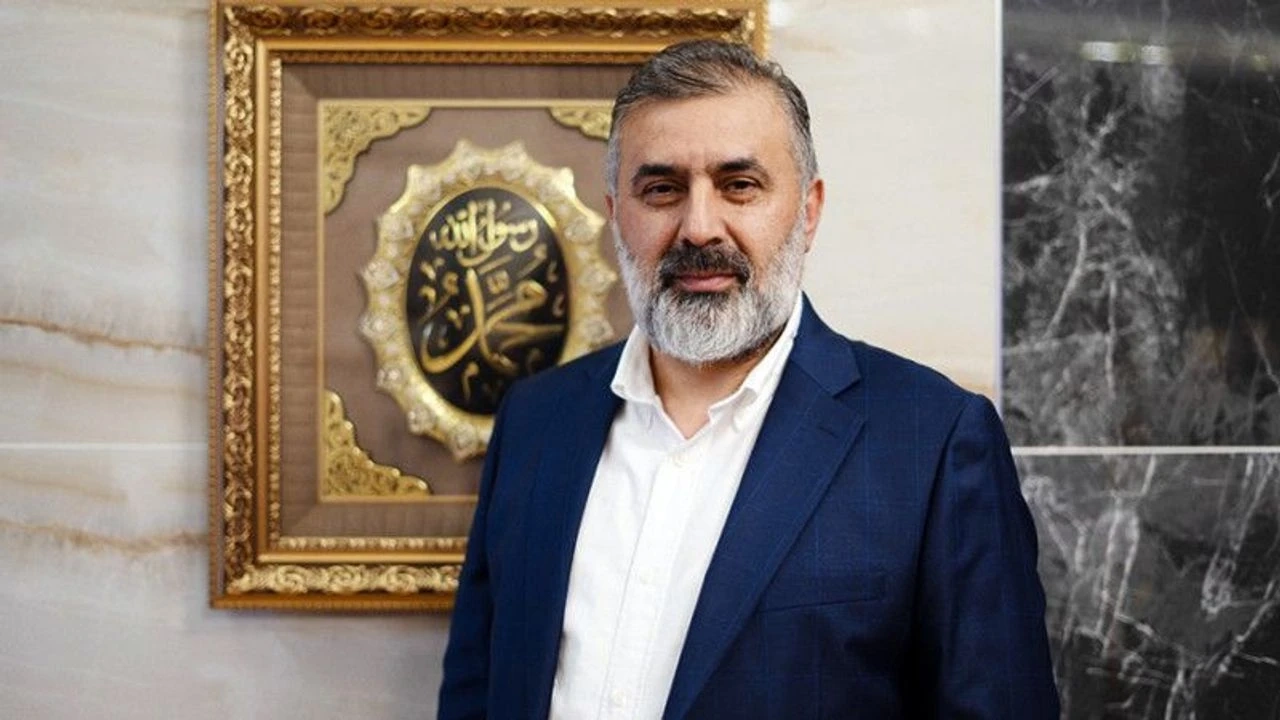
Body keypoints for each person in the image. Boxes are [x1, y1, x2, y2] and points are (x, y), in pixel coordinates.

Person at [439, 39, 1059, 719]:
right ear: (616, 214)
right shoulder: (536, 422)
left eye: (739, 185)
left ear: (808, 211)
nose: (700, 228)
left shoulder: (931, 443)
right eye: (662, 189)